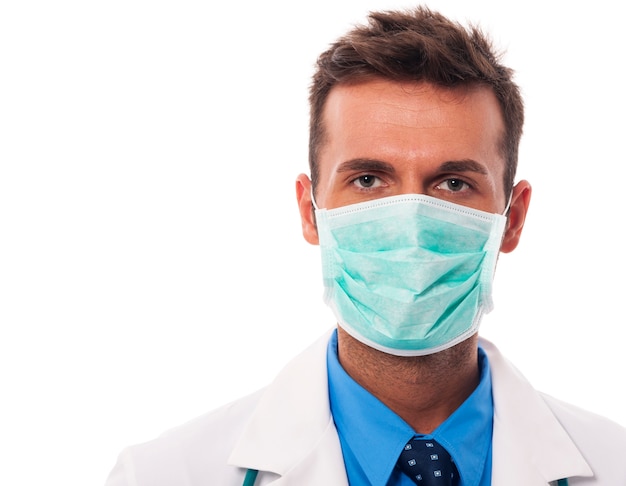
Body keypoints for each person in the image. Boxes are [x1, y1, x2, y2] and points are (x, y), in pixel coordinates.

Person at [105, 6, 626, 486]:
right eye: (369, 180)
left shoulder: (614, 462)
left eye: (452, 184)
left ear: (512, 220)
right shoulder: (159, 474)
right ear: (311, 212)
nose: (411, 223)